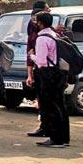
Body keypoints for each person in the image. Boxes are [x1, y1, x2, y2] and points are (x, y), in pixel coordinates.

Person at [28, 10, 70, 148]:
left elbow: (41, 61)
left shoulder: (42, 38)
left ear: (40, 23)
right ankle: (63, 137)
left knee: (51, 106)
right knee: (60, 105)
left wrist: (31, 55)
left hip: (47, 74)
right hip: (57, 73)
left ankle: (55, 138)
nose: (34, 23)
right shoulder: (53, 35)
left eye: (36, 21)